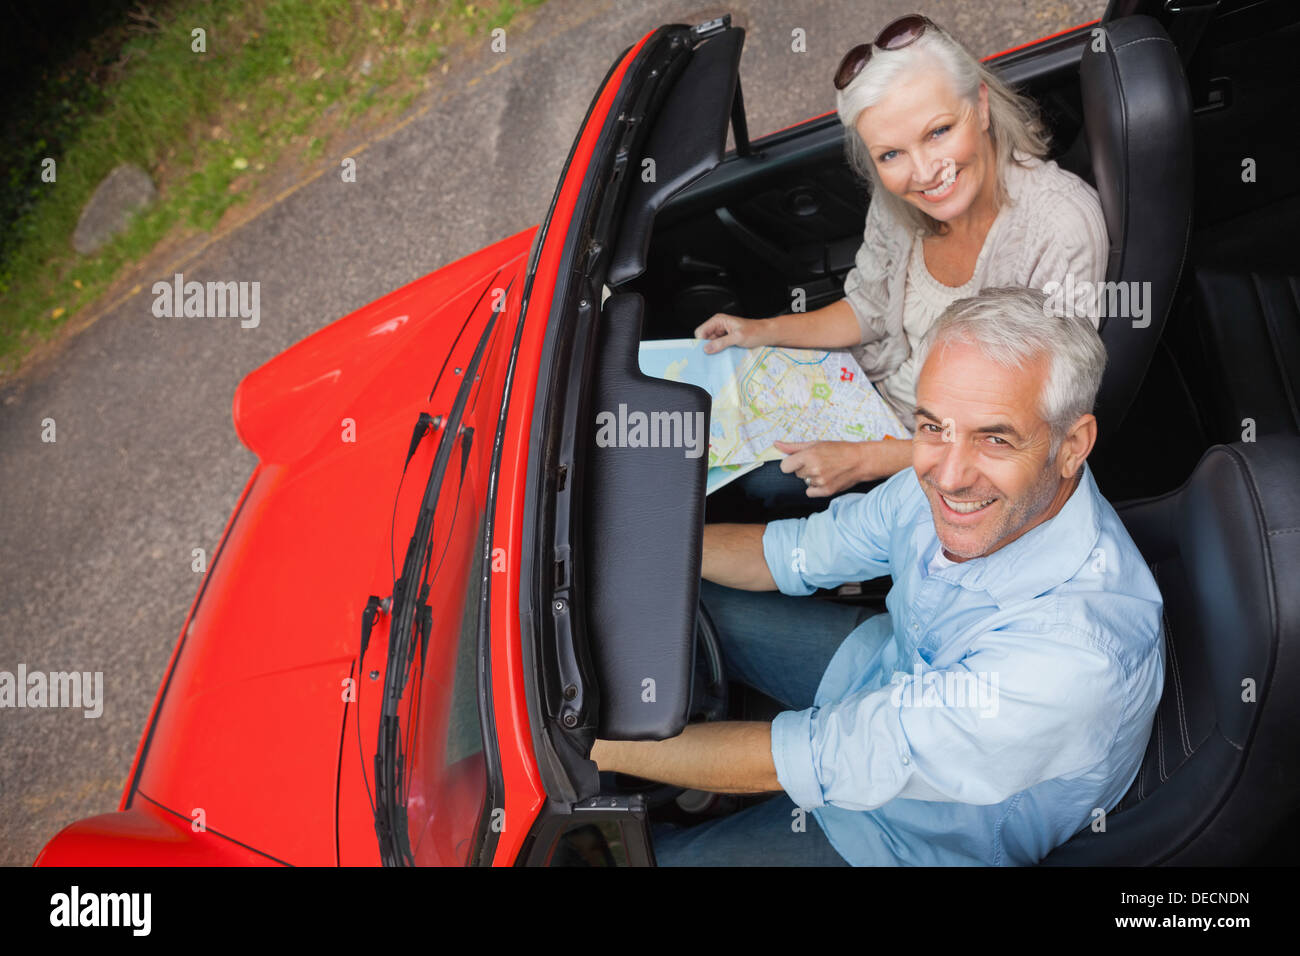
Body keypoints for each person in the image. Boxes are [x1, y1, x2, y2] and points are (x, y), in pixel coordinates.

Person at [592, 288, 1164, 866]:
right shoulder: (945, 475)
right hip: (880, 672)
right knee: (686, 597)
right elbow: (794, 552)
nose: (950, 476)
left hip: (917, 837)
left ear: (1073, 446)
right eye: (933, 425)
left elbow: (805, 759)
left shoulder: (1069, 662)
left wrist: (586, 747)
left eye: (996, 438)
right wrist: (632, 547)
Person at [697, 14, 1108, 514]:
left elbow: (1024, 429)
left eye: (938, 131)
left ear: (979, 106)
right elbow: (868, 310)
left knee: (758, 483)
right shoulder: (903, 202)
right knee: (708, 429)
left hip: (955, 460)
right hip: (868, 400)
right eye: (891, 154)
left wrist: (867, 460)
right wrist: (760, 330)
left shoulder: (1060, 227)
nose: (924, 173)